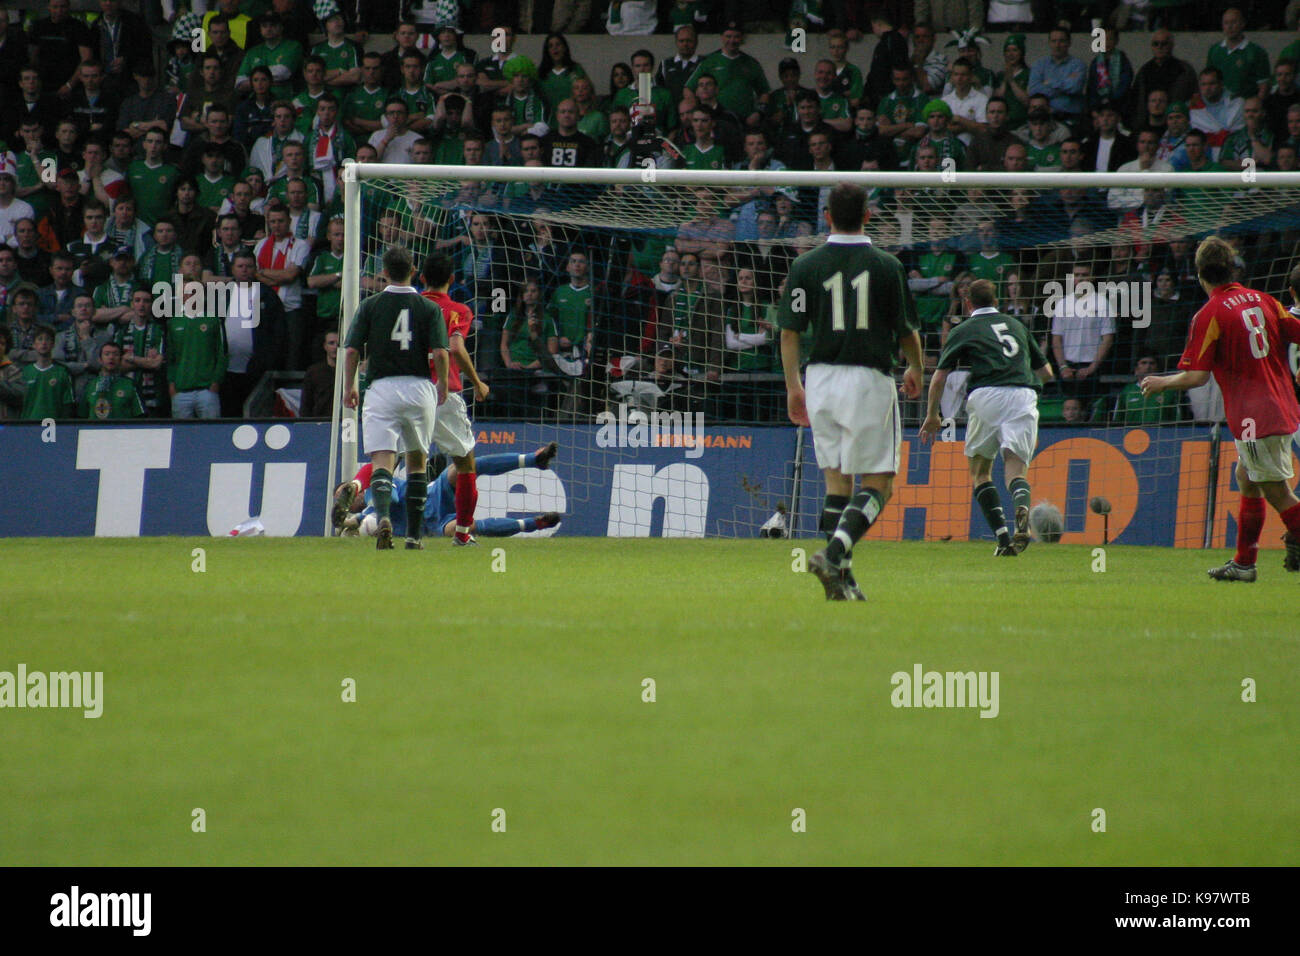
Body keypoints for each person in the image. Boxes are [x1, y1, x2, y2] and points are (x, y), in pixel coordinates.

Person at [779, 183, 924, 601]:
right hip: (867, 379)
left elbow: (789, 331)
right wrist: (916, 368)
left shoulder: (805, 265)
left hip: (821, 378)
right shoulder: (886, 265)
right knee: (879, 484)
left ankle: (844, 581)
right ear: (868, 215)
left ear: (826, 216)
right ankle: (834, 552)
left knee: (836, 485)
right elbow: (906, 331)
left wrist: (794, 386)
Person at [1140, 238, 1300, 582]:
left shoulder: (1209, 314)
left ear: (1200, 275)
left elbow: (1197, 376)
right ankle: (1244, 563)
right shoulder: (1265, 300)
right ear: (1233, 268)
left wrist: (1161, 382)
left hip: (1255, 416)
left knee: (1277, 492)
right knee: (1247, 477)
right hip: (1282, 406)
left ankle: (1281, 544)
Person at [921, 279, 1053, 556]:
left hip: (987, 395)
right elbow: (1047, 373)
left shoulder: (964, 328)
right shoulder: (1016, 326)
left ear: (968, 303)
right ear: (997, 300)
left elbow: (940, 377)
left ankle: (1003, 540)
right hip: (1023, 394)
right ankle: (1021, 511)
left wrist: (933, 414)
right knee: (1016, 472)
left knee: (980, 473)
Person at [341, 245, 450, 550]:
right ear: (414, 272)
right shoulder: (430, 308)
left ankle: (384, 516)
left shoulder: (371, 305)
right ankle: (414, 537)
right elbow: (441, 352)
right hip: (419, 388)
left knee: (382, 462)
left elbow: (351, 351)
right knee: (417, 462)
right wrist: (441, 384)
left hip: (382, 389)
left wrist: (350, 386)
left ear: (384, 272)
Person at [337, 442, 562, 541]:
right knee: (463, 528)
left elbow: (392, 498)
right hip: (433, 524)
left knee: (464, 467)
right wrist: (347, 524)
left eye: (345, 493)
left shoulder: (379, 487)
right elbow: (355, 521)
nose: (347, 499)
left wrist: (366, 511)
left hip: (434, 494)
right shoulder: (366, 514)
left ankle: (534, 459)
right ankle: (534, 523)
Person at [417, 253, 490, 546]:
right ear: (452, 279)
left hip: (406, 389)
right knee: (464, 463)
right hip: (443, 391)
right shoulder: (458, 310)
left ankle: (361, 492)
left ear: (421, 279)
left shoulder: (409, 306)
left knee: (395, 458)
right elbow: (456, 346)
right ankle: (461, 533)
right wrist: (478, 382)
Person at [20, 324, 76, 419]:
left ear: (53, 344)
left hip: (55, 426)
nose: (44, 343)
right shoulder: (25, 372)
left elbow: (67, 405)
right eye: (40, 339)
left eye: (47, 339)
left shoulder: (62, 372)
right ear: (34, 344)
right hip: (28, 426)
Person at [80, 339, 143, 419]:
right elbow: (81, 417)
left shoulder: (130, 385)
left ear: (120, 360)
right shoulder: (89, 385)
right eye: (107, 354)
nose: (111, 357)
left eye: (115, 354)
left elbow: (140, 416)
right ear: (100, 360)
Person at [299, 329, 338, 418]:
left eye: (338, 344)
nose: (335, 347)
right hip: (319, 423)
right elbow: (306, 404)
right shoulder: (314, 372)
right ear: (325, 346)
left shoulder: (351, 372)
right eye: (331, 343)